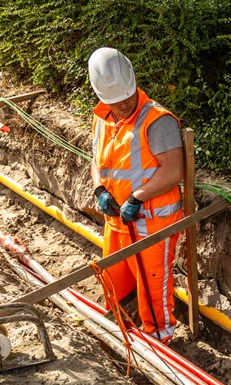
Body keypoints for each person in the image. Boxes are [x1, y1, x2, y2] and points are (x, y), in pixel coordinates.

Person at [88, 47, 184, 343]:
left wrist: (137, 197)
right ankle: (122, 334)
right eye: (115, 101)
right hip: (117, 221)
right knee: (115, 282)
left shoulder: (157, 121)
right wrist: (99, 189)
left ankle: (160, 340)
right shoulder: (102, 118)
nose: (123, 105)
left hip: (152, 224)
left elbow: (173, 171)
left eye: (127, 97)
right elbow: (96, 161)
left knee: (153, 290)